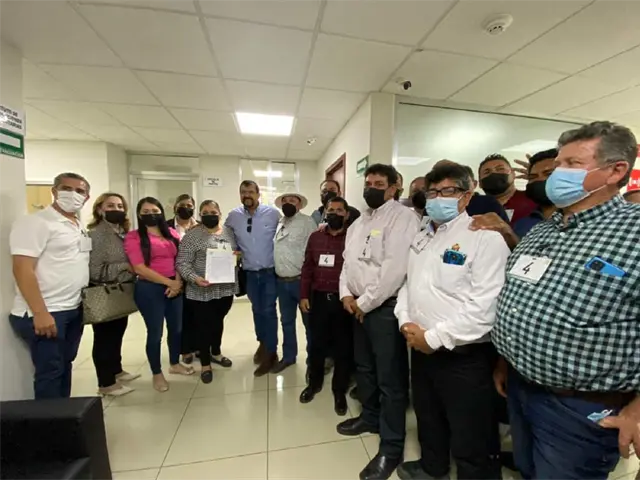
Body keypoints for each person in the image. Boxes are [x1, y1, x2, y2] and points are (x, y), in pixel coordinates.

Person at [492, 121, 640, 480]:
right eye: (559, 164)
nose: (558, 174)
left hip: (581, 406)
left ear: (616, 171)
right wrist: (505, 360)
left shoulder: (634, 230)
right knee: (527, 469)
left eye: (572, 164)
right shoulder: (543, 229)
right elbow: (520, 298)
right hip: (521, 387)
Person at [394, 164, 510, 480]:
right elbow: (409, 285)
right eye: (433, 192)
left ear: (466, 196)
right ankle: (433, 468)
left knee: (470, 432)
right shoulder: (422, 237)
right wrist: (405, 322)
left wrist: (433, 338)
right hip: (420, 348)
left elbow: (486, 306)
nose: (438, 198)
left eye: (448, 191)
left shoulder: (484, 238)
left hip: (463, 357)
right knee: (428, 416)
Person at [337, 163, 420, 480]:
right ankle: (370, 417)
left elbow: (394, 269)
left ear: (394, 188)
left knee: (390, 381)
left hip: (383, 309)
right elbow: (347, 262)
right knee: (365, 369)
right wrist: (346, 294)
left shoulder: (403, 218)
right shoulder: (360, 221)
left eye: (378, 184)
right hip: (357, 307)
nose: (371, 188)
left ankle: (391, 447)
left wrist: (365, 303)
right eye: (368, 183)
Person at [9, 172, 91, 399]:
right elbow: (22, 269)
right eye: (66, 188)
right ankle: (48, 421)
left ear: (86, 197)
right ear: (54, 191)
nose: (73, 194)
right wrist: (40, 312)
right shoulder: (35, 222)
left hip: (72, 308)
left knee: (65, 365)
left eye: (80, 191)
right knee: (50, 372)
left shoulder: (77, 224)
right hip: (47, 310)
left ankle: (63, 414)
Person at [124, 197, 193, 393]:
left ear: (162, 213)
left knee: (176, 329)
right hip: (150, 289)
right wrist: (169, 283)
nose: (151, 215)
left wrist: (177, 282)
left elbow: (180, 259)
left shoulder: (171, 233)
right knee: (155, 333)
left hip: (174, 287)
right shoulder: (134, 237)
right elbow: (139, 268)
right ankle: (157, 373)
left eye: (155, 211)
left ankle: (174, 363)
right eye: (145, 212)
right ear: (139, 215)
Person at [299, 196, 353, 415]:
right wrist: (304, 295)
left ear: (346, 214)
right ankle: (314, 383)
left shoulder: (353, 237)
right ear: (325, 213)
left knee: (343, 348)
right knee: (317, 344)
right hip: (319, 298)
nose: (335, 214)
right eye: (331, 210)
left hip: (343, 300)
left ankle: (339, 390)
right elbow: (307, 268)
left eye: (340, 210)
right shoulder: (315, 237)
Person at [176, 200, 238, 384]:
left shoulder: (228, 232)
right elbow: (182, 263)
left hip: (224, 289)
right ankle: (205, 364)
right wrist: (194, 278)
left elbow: (234, 252)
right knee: (203, 327)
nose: (210, 215)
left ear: (219, 213)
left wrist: (237, 256)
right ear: (200, 215)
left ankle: (216, 353)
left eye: (213, 212)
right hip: (201, 290)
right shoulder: (192, 235)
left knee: (218, 322)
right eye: (205, 213)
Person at [225, 180, 280, 376]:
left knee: (268, 310)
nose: (246, 195)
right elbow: (226, 234)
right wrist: (233, 249)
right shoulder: (233, 216)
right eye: (243, 192)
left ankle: (271, 352)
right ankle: (263, 343)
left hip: (269, 272)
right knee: (257, 310)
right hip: (249, 272)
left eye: (250, 191)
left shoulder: (273, 214)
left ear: (258, 194)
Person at [87, 192, 140, 397]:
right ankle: (106, 383)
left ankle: (116, 370)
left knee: (117, 333)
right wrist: (125, 266)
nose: (116, 210)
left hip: (121, 290)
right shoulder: (97, 235)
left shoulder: (121, 231)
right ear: (99, 209)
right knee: (104, 339)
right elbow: (94, 270)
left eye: (119, 206)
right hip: (104, 291)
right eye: (110, 206)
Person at [272, 192, 317, 374]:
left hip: (301, 281)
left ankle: (313, 360)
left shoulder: (307, 222)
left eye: (292, 200)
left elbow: (314, 252)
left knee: (309, 323)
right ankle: (289, 357)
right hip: (282, 282)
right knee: (287, 322)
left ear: (299, 204)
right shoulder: (280, 222)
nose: (288, 203)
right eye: (285, 201)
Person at [167, 194, 199, 365]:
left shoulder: (200, 226)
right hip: (173, 278)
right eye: (182, 205)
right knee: (179, 317)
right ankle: (184, 349)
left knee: (196, 315)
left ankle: (198, 346)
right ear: (175, 207)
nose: (186, 208)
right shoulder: (165, 227)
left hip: (196, 277)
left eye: (189, 205)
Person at [512, 148, 558, 238]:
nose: (540, 179)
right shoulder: (522, 224)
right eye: (532, 177)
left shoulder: (579, 220)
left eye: (549, 174)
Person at [479, 153, 537, 224]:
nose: (493, 173)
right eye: (487, 172)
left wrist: (539, 177)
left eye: (500, 169)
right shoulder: (473, 208)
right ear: (480, 183)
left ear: (513, 174)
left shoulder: (534, 198)